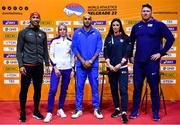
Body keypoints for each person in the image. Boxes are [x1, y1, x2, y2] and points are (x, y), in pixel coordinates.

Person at [129, 3, 175, 121]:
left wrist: (161, 53)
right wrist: (130, 56)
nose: (145, 13)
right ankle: (135, 110)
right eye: (143, 11)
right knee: (137, 88)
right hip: (138, 63)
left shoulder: (158, 25)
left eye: (147, 11)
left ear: (151, 12)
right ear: (141, 12)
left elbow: (170, 38)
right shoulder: (136, 27)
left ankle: (155, 112)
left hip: (152, 63)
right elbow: (130, 42)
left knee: (154, 89)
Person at [16, 12, 50, 122]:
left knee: (38, 90)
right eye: (33, 17)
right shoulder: (23, 32)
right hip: (27, 66)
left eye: (37, 17)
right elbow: (18, 51)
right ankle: (22, 112)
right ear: (30, 19)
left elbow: (45, 50)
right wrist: (21, 65)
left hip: (39, 66)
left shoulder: (43, 34)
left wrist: (47, 64)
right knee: (24, 90)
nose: (35, 19)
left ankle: (36, 111)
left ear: (39, 19)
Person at [71, 13, 103, 119]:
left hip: (93, 65)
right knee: (79, 87)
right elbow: (74, 48)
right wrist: (83, 61)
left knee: (95, 87)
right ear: (83, 20)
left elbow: (99, 48)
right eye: (85, 19)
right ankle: (78, 109)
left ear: (91, 20)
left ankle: (96, 108)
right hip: (80, 65)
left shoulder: (97, 33)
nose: (87, 20)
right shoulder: (77, 33)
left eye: (89, 19)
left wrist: (90, 61)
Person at [43, 24, 74, 122]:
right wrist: (55, 67)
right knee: (52, 90)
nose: (62, 31)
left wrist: (73, 69)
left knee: (64, 90)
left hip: (68, 69)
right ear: (58, 31)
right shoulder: (54, 41)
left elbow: (73, 56)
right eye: (60, 29)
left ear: (66, 30)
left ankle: (60, 109)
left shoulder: (70, 42)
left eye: (64, 29)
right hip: (57, 69)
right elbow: (51, 54)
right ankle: (49, 112)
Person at [104, 18, 131, 123]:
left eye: (117, 25)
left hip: (122, 68)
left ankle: (124, 112)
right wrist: (109, 64)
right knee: (114, 89)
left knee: (123, 90)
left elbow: (127, 52)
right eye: (114, 25)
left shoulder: (126, 38)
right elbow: (105, 52)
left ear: (120, 26)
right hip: (111, 68)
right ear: (111, 26)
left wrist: (120, 64)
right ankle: (117, 109)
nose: (115, 27)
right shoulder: (108, 38)